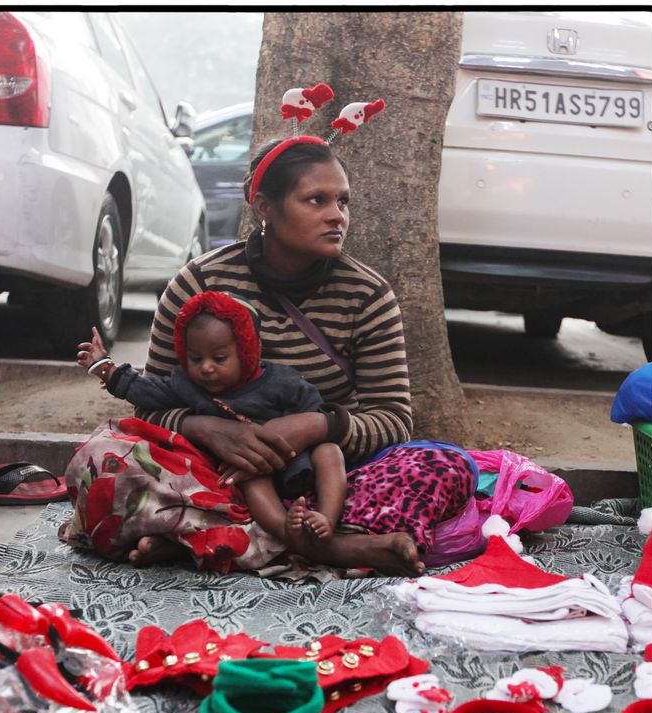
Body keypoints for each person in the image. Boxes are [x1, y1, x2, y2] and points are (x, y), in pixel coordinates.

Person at [60, 135, 477, 577]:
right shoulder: (197, 284)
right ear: (265, 207)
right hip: (215, 474)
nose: (337, 216)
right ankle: (324, 547)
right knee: (102, 459)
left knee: (442, 466)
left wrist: (316, 426)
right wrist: (209, 429)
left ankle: (208, 537)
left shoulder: (367, 296)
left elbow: (393, 420)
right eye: (316, 200)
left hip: (325, 485)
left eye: (343, 202)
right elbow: (150, 404)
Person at [76, 290, 347, 542]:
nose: (206, 368)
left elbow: (313, 410)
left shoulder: (282, 381)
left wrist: (296, 435)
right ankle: (284, 529)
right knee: (253, 480)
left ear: (247, 351)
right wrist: (105, 368)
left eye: (219, 358)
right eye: (195, 359)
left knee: (329, 451)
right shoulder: (187, 385)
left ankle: (326, 518)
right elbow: (147, 392)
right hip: (241, 470)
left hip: (294, 459)